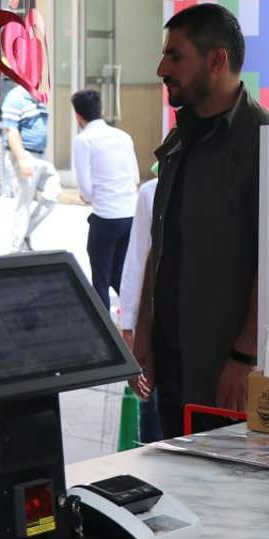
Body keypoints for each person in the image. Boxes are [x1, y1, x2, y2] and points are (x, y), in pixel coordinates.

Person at [133, 3, 269, 439]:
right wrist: (142, 334)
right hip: (171, 361)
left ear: (217, 61)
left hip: (225, 371)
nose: (161, 68)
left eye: (175, 56)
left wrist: (244, 357)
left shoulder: (265, 141)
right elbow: (164, 239)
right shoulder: (181, 136)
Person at [70, 88, 139, 309]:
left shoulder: (83, 140)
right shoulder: (123, 136)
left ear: (78, 115)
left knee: (100, 278)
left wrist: (89, 197)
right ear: (102, 110)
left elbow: (85, 188)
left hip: (105, 217)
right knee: (119, 274)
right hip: (129, 215)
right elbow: (135, 176)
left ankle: (105, 331)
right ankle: (136, 317)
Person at [119, 174, 162, 443]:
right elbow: (137, 257)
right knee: (154, 418)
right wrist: (129, 326)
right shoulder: (152, 192)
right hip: (156, 329)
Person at [1, 82, 60, 251]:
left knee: (53, 191)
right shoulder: (15, 97)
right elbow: (11, 131)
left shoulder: (40, 97)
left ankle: (24, 232)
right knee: (23, 202)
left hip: (40, 155)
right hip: (23, 154)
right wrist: (21, 159)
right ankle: (17, 248)